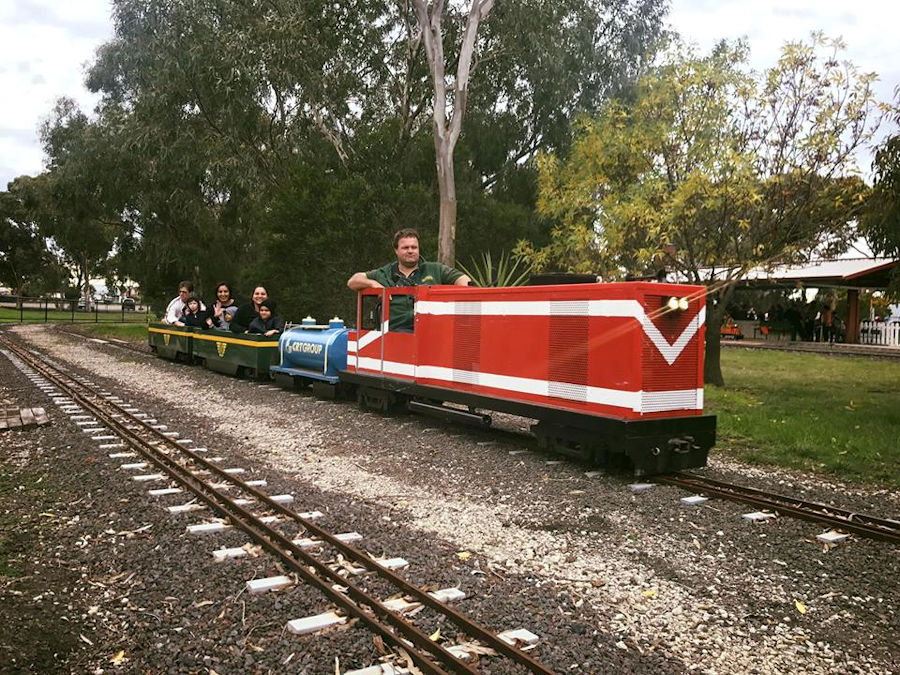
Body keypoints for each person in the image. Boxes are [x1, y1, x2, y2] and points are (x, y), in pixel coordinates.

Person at [347, 228, 471, 331]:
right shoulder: (384, 273)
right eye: (406, 248)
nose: (411, 251)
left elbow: (464, 280)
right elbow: (353, 281)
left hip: (432, 333)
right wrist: (373, 284)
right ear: (396, 250)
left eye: (414, 247)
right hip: (393, 335)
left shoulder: (435, 269)